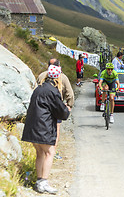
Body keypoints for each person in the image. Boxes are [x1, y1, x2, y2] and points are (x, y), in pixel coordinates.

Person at [22, 65, 70, 194]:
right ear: (57, 78)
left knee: (40, 153)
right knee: (50, 152)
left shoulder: (38, 89)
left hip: (32, 127)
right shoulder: (53, 91)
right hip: (43, 127)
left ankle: (39, 181)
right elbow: (61, 112)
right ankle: (44, 181)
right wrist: (66, 110)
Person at [36, 58, 75, 157]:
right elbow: (70, 94)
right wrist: (69, 105)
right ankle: (53, 152)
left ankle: (42, 151)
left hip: (41, 107)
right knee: (56, 130)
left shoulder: (41, 75)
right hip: (56, 107)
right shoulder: (63, 77)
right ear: (59, 66)